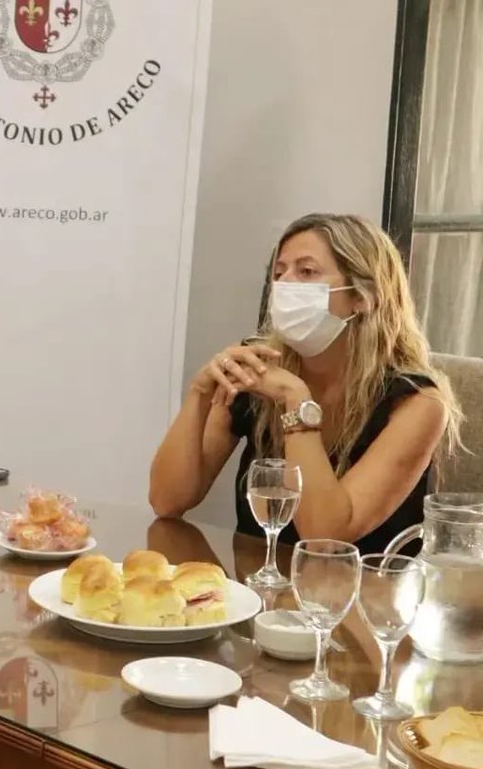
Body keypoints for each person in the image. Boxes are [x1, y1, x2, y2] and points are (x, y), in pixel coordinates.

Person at [149, 214, 461, 554]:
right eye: (279, 273)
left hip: (361, 597)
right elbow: (167, 501)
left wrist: (296, 401)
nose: (285, 285)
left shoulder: (418, 403)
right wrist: (199, 394)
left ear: (364, 294)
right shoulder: (260, 367)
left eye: (307, 272)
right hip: (258, 590)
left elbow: (325, 536)